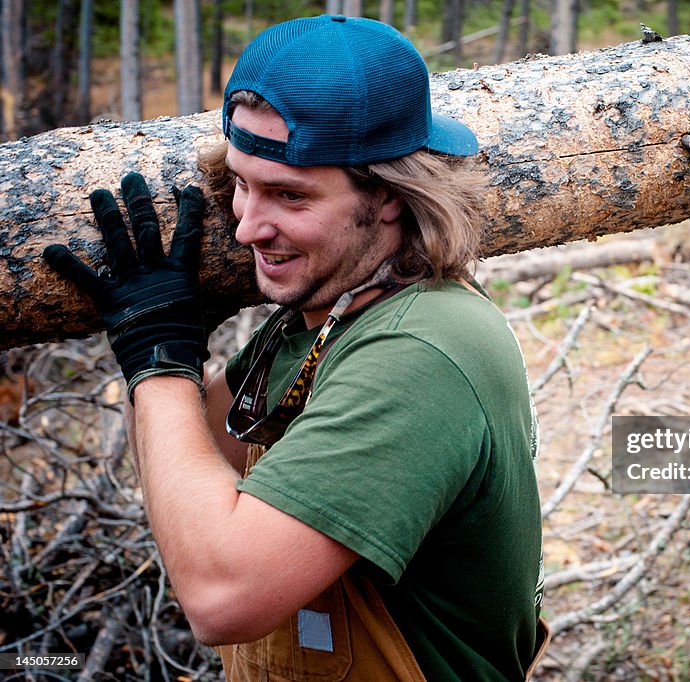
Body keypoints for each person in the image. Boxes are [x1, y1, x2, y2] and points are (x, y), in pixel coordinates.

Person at [44, 15, 547, 681]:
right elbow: (187, 473)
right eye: (242, 184)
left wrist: (158, 362)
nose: (248, 226)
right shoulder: (332, 315)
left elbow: (221, 595)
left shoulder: (421, 354)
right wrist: (178, 340)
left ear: (392, 196)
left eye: (289, 194)